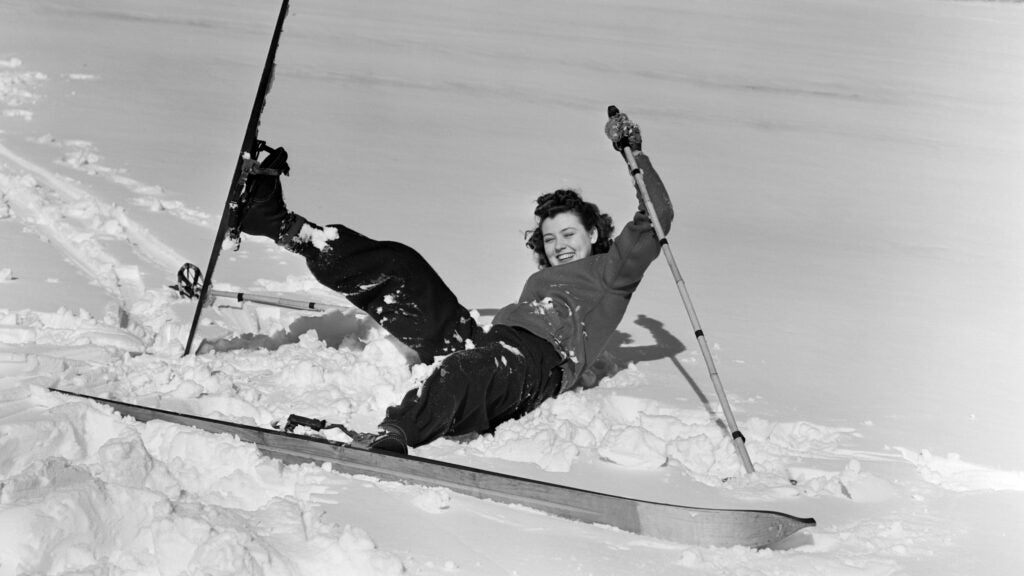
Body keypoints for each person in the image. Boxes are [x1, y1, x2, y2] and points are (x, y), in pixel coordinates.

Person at [237, 113, 672, 454]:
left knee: (464, 370)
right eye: (550, 237)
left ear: (594, 234)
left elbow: (655, 218)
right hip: (488, 342)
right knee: (400, 265)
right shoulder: (543, 279)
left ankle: (398, 432)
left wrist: (633, 152)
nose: (558, 246)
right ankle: (279, 223)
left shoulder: (611, 274)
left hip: (531, 368)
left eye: (569, 235)